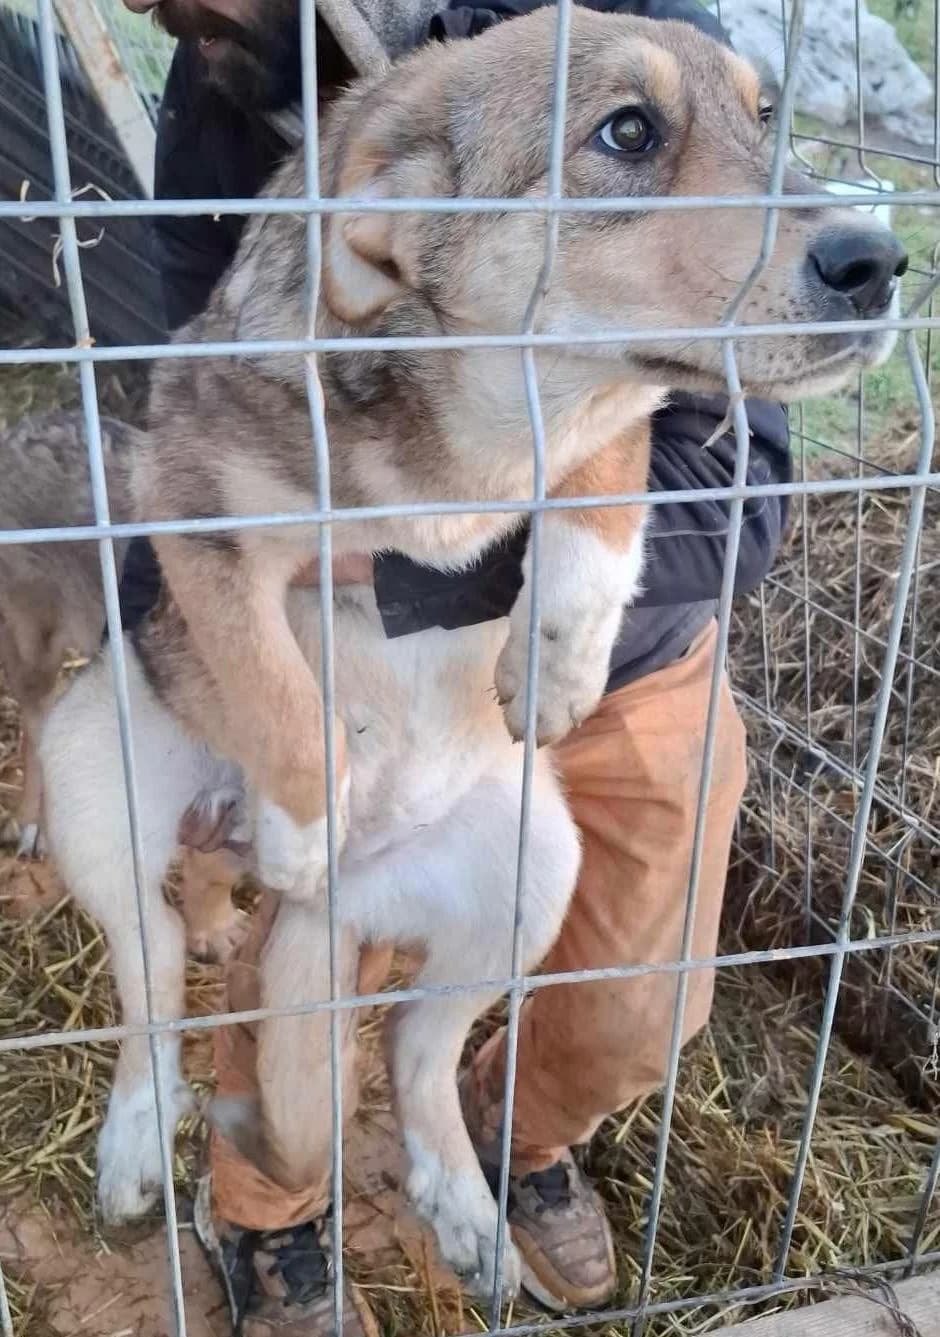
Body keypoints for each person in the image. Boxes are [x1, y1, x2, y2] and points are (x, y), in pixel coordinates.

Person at [118, 1, 790, 1333]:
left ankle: (509, 1128)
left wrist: (451, 571)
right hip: (358, 656)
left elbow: (748, 489)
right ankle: (271, 1209)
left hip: (621, 640)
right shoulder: (227, 77)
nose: (169, 13)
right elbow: (190, 405)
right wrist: (200, 677)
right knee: (302, 952)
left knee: (635, 1007)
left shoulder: (650, 58)